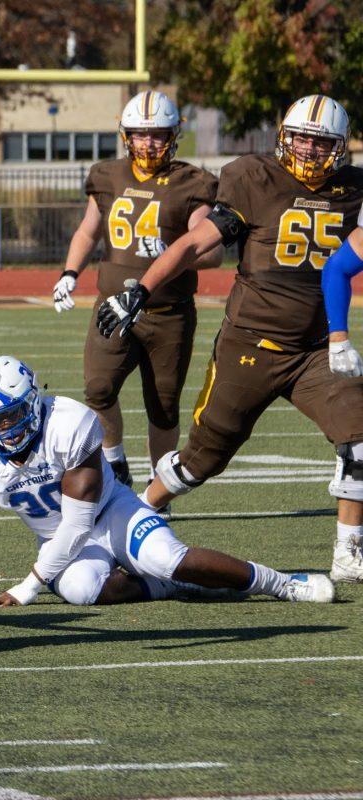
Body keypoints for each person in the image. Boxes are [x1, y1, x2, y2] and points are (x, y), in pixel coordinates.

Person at [97, 94, 363, 584]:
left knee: (361, 436)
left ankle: (349, 551)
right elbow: (198, 241)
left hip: (315, 351)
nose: (307, 149)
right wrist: (142, 288)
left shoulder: (353, 189)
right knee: (201, 460)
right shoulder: (254, 177)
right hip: (251, 344)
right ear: (285, 136)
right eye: (301, 137)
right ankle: (130, 519)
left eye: (320, 141)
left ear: (339, 147)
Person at [0, 355, 334, 609]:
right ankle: (165, 589)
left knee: (166, 558)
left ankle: (281, 583)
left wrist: (28, 586)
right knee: (81, 591)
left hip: (110, 512)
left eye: (9, 415)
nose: (1, 429)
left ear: (32, 402)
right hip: (55, 538)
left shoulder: (68, 423)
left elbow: (78, 523)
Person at [54, 91, 220, 492]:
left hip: (167, 312)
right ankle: (115, 465)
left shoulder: (191, 182)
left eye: (157, 135)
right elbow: (88, 230)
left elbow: (211, 252)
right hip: (113, 306)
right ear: (126, 136)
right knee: (98, 388)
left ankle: (156, 488)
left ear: (173, 135)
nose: (148, 144)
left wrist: (168, 254)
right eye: (140, 135)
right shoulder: (107, 175)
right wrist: (69, 272)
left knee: (162, 408)